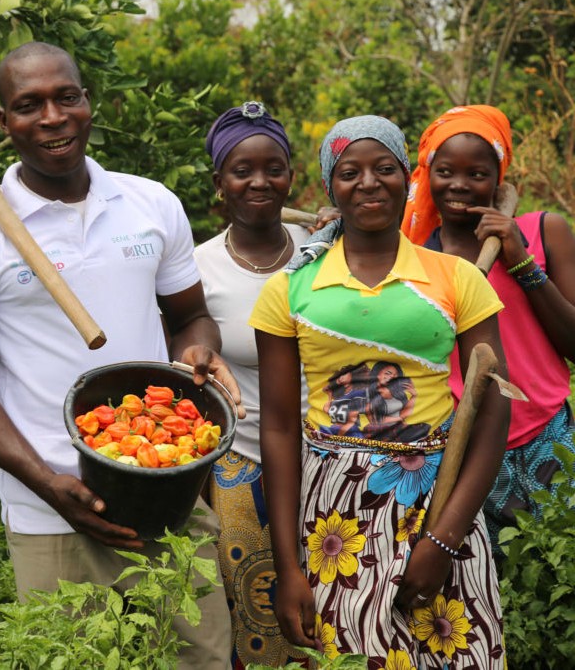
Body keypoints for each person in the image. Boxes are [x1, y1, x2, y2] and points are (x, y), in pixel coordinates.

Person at [0, 42, 238, 669]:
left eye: (66, 97)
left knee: (199, 658)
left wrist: (199, 349)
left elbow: (188, 318)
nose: (52, 117)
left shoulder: (151, 205)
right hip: (51, 507)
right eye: (28, 105)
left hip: (165, 493)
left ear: (88, 102)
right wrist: (46, 483)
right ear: (3, 121)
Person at [250, 115, 510, 666]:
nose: (368, 183)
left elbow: (492, 413)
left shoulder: (458, 278)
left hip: (442, 500)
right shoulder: (290, 289)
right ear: (330, 188)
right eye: (350, 172)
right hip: (334, 516)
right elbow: (276, 427)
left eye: (384, 168)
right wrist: (289, 566)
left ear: (407, 181)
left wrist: (443, 541)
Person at [402, 104, 575, 558]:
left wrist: (519, 260)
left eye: (476, 173)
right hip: (470, 449)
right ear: (427, 175)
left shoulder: (543, 231)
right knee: (498, 589)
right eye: (444, 171)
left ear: (498, 177)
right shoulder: (414, 259)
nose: (459, 185)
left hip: (551, 435)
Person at [193, 101, 310, 668]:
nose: (260, 181)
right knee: (256, 615)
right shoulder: (198, 268)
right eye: (243, 170)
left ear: (292, 177)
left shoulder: (326, 252)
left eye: (274, 168)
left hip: (334, 458)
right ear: (220, 183)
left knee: (337, 604)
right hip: (242, 463)